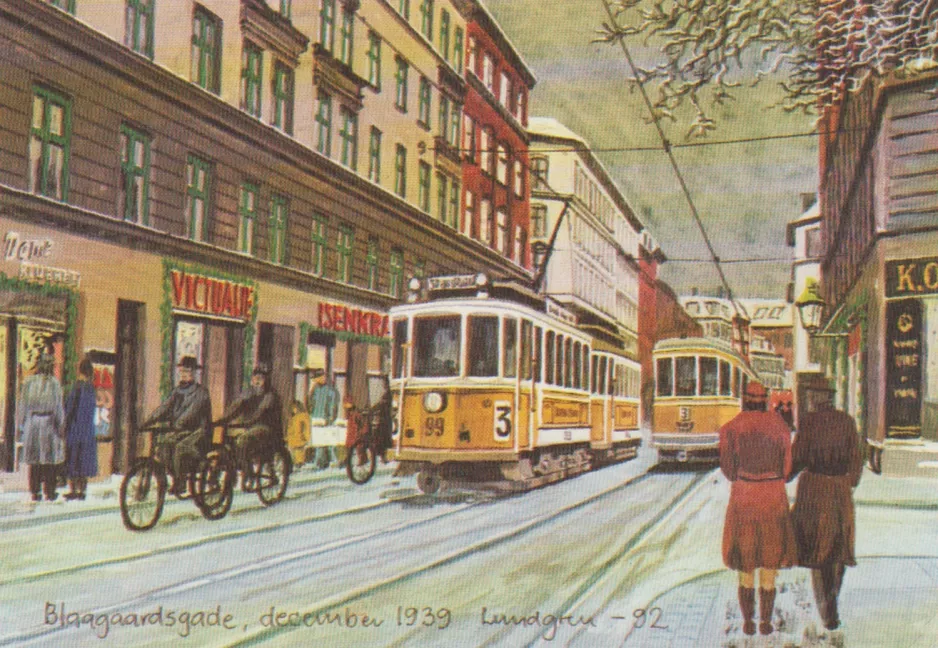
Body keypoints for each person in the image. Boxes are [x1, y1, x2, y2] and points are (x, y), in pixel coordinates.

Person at [719, 381, 797, 636]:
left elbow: (728, 471)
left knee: (746, 563)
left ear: (744, 399)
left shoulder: (730, 428)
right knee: (770, 562)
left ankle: (748, 622)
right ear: (765, 401)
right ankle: (765, 621)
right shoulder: (780, 427)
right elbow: (787, 470)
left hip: (744, 498)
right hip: (773, 498)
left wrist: (745, 477)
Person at [789, 390, 863, 632]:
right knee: (838, 548)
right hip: (839, 490)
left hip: (814, 489)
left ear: (814, 400)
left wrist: (786, 474)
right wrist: (847, 480)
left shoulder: (809, 422)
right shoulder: (847, 421)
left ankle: (827, 610)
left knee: (817, 550)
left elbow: (796, 459)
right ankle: (831, 602)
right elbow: (856, 463)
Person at [140, 356, 212, 495]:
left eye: (187, 371)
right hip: (182, 430)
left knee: (179, 448)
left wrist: (177, 424)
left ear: (194, 373)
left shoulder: (201, 392)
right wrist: (148, 422)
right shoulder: (177, 390)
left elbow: (192, 412)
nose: (184, 374)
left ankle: (181, 481)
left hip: (199, 432)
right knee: (163, 445)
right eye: (182, 371)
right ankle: (174, 476)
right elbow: (165, 407)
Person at [214, 363, 283, 472]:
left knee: (243, 440)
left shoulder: (270, 395)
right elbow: (235, 407)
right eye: (255, 377)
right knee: (225, 440)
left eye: (261, 378)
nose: (257, 381)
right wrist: (220, 421)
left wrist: (246, 423)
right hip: (248, 427)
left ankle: (247, 470)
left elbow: (260, 412)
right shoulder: (248, 392)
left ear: (266, 380)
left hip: (265, 428)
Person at [17, 353, 65, 502]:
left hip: (34, 422)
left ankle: (36, 491)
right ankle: (48, 491)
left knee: (37, 460)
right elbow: (58, 407)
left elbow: (23, 405)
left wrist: (21, 423)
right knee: (47, 460)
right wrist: (61, 424)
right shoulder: (54, 384)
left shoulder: (30, 382)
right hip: (48, 423)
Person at [64, 357, 98, 500]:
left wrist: (65, 424)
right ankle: (82, 491)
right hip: (88, 430)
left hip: (75, 428)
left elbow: (69, 408)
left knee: (73, 458)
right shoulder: (91, 388)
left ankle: (73, 489)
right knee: (84, 459)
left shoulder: (77, 387)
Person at [308, 368, 339, 469]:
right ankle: (319, 462)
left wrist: (330, 417)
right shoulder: (315, 389)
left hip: (326, 419)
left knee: (329, 441)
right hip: (316, 418)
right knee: (318, 441)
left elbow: (333, 405)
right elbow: (310, 403)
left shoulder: (330, 390)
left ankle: (333, 460)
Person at [286, 400, 310, 468]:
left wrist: (306, 436)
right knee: (293, 452)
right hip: (293, 438)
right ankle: (295, 463)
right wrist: (288, 437)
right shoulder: (293, 417)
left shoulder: (303, 416)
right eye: (292, 408)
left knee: (299, 450)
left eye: (295, 408)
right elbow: (290, 428)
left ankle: (300, 463)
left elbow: (307, 427)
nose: (293, 410)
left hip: (300, 437)